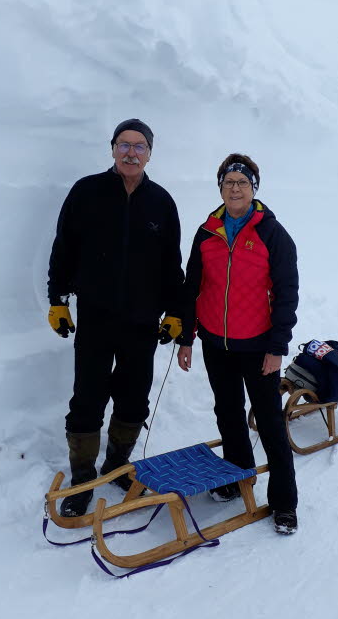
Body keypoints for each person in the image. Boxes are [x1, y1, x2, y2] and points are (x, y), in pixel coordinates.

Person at [47, 119, 184, 517]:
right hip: (95, 317)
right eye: (124, 145)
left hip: (142, 320)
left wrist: (175, 311)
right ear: (112, 149)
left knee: (133, 397)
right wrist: (57, 300)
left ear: (150, 153)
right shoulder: (86, 192)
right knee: (87, 398)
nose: (131, 153)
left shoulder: (161, 202)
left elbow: (171, 265)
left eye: (139, 146)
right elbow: (63, 250)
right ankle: (82, 480)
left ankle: (118, 466)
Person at [177, 153, 300, 534]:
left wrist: (277, 348)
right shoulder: (207, 232)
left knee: (269, 423)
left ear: (254, 189)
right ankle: (237, 479)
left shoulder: (271, 234)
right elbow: (192, 287)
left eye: (242, 183)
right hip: (216, 343)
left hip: (259, 347)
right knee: (228, 414)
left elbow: (286, 294)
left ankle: (284, 503)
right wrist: (186, 337)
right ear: (220, 188)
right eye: (229, 182)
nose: (235, 188)